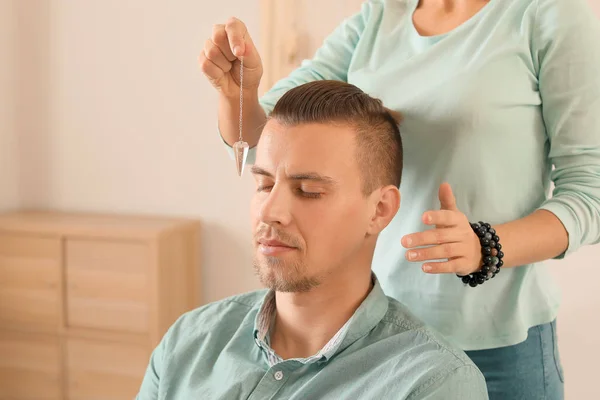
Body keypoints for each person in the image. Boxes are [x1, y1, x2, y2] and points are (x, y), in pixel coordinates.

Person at [199, 0, 600, 398]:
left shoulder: (549, 15)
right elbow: (265, 143)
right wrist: (238, 94)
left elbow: (590, 193)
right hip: (376, 342)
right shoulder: (381, 16)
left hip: (497, 350)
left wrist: (486, 246)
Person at [135, 81, 488, 399]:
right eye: (263, 185)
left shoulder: (433, 383)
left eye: (308, 191)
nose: (270, 211)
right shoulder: (189, 341)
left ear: (379, 210)